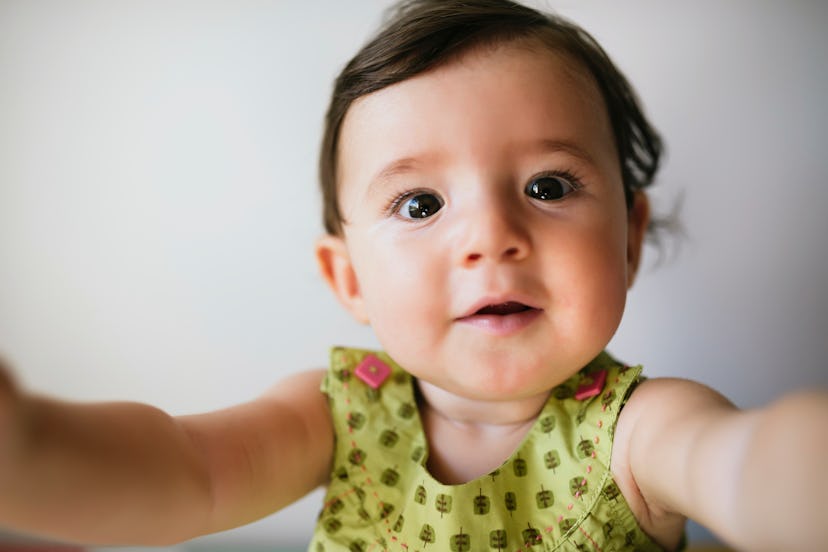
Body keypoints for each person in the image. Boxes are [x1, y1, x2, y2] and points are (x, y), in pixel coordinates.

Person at [1, 1, 826, 550]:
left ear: (629, 237)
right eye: (421, 203)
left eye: (547, 187)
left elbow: (738, 463)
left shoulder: (641, 431)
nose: (492, 238)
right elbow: (185, 472)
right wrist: (29, 451)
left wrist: (792, 463)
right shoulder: (336, 418)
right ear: (348, 278)